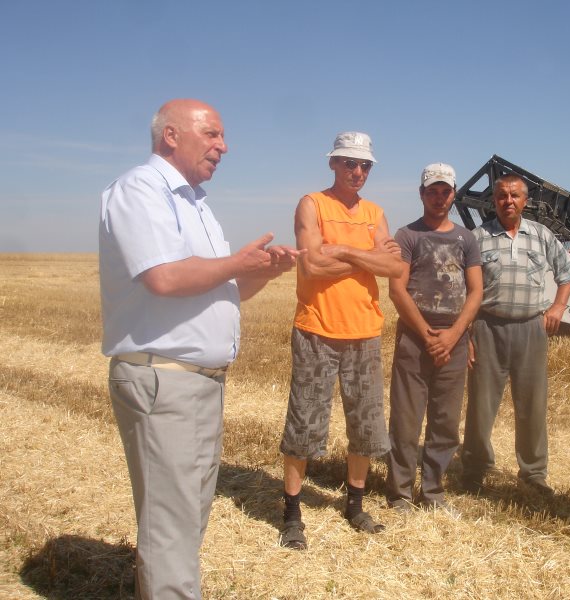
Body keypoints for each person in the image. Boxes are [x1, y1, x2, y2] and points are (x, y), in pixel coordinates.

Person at [100, 99, 299, 599]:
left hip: (196, 384)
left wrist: (259, 272)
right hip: (164, 381)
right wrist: (236, 261)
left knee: (187, 515)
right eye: (212, 134)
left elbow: (216, 288)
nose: (223, 146)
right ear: (171, 135)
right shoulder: (140, 189)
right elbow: (165, 278)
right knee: (172, 524)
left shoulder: (195, 204)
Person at [279, 131, 404, 550]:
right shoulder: (312, 204)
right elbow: (312, 264)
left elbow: (395, 268)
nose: (358, 171)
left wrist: (346, 253)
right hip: (317, 328)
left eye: (365, 165)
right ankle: (291, 512)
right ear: (332, 163)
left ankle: (355, 504)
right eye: (350, 163)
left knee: (365, 425)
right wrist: (367, 256)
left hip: (365, 332)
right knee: (304, 422)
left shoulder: (375, 212)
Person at [461, 173, 570, 495]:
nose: (508, 201)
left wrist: (557, 308)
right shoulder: (477, 238)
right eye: (501, 196)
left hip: (531, 329)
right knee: (481, 404)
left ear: (525, 201)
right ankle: (475, 467)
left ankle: (534, 473)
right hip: (487, 328)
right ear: (493, 200)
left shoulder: (541, 235)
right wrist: (466, 333)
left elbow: (568, 273)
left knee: (532, 405)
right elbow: (463, 289)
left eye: (514, 195)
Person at [385, 163, 483, 514]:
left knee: (445, 420)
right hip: (415, 337)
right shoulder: (407, 236)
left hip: (454, 340)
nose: (439, 198)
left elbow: (475, 292)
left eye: (445, 191)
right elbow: (398, 290)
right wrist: (427, 335)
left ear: (453, 194)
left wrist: (454, 335)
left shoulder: (466, 239)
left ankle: (433, 492)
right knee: (406, 420)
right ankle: (399, 494)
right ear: (421, 194)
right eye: (432, 191)